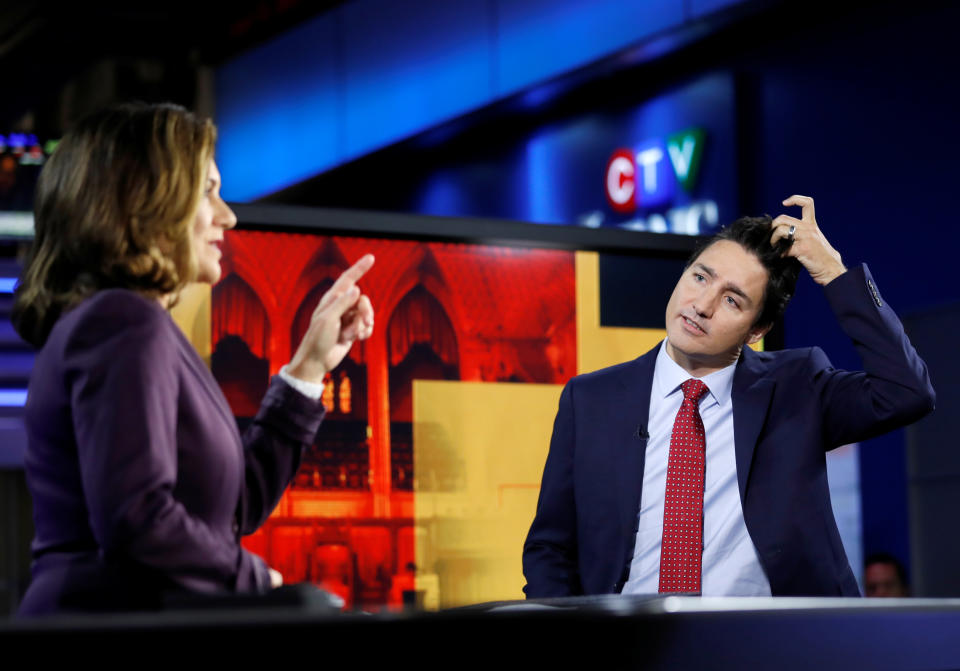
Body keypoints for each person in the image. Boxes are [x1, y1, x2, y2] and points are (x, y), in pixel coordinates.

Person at [12, 103, 375, 615]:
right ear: (145, 202)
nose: (227, 215)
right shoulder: (121, 321)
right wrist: (258, 581)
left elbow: (232, 507)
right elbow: (137, 518)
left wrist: (309, 368)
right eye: (208, 191)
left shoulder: (129, 322)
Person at [523, 196, 935, 598]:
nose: (701, 305)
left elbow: (906, 392)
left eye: (732, 300)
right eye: (700, 278)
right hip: (632, 645)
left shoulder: (795, 387)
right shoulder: (591, 399)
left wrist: (831, 271)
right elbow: (551, 548)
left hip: (769, 647)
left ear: (758, 330)